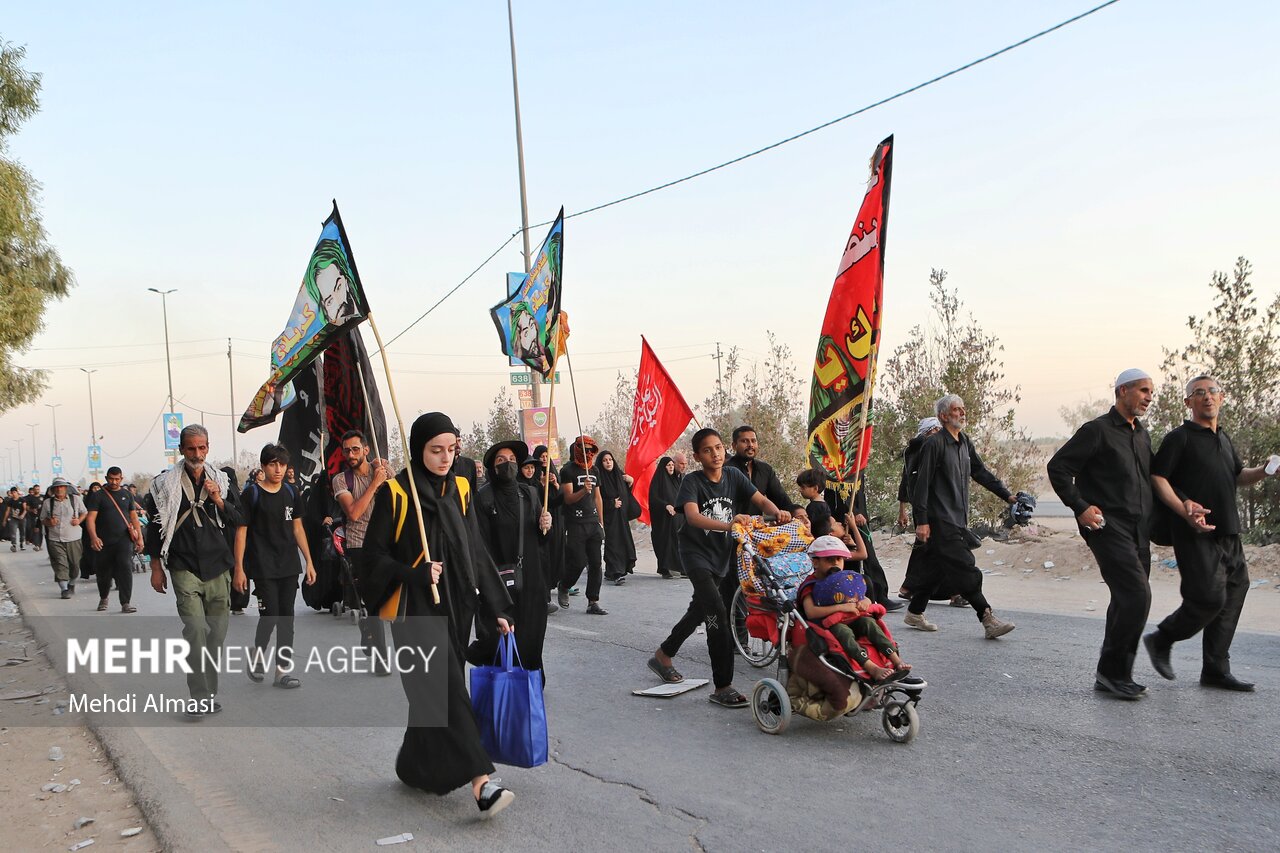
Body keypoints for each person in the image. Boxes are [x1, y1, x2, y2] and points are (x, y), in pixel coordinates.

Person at [358, 412, 516, 817]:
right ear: (418, 450)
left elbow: (474, 549)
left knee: (431, 696)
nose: (445, 458)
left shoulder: (462, 488)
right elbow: (372, 559)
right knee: (446, 689)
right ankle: (483, 782)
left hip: (456, 603)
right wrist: (414, 572)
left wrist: (495, 606)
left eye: (451, 449)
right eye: (435, 450)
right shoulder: (395, 493)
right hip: (415, 608)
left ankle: (414, 766)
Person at [1143, 375, 1277, 693]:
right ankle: (1162, 638)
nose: (1207, 397)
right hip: (1193, 532)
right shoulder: (1180, 438)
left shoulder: (1224, 439)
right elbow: (1158, 478)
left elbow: (1238, 476)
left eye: (1213, 391)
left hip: (1228, 529)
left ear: (1223, 397)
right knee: (1208, 598)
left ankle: (1216, 669)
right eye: (1199, 393)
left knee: (1235, 590)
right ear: (1188, 402)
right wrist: (1184, 508)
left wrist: (1266, 470)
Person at [647, 428, 790, 708]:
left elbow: (761, 500)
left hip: (720, 557)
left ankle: (663, 655)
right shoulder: (692, 482)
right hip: (695, 556)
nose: (715, 454)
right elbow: (692, 516)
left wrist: (778, 512)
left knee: (699, 610)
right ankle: (723, 685)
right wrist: (729, 525)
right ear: (698, 456)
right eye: (708, 450)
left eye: (718, 448)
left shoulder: (734, 476)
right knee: (716, 614)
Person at [1047, 369, 1156, 700]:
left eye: (1151, 392)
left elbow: (1152, 479)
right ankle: (1112, 673)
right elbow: (1059, 467)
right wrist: (1080, 507)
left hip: (1139, 530)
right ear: (1122, 391)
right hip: (1107, 527)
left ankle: (1113, 675)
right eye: (1143, 390)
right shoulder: (1096, 430)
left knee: (1126, 599)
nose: (1149, 396)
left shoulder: (1142, 435)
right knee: (1138, 596)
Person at [144, 425, 244, 718]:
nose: (197, 454)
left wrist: (218, 500)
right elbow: (154, 528)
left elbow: (239, 519)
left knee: (217, 634)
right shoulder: (163, 485)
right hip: (183, 565)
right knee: (196, 630)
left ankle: (209, 693)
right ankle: (199, 697)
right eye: (191, 448)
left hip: (218, 566)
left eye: (201, 448)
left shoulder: (222, 480)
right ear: (182, 450)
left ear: (208, 448)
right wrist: (155, 567)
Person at [908, 395, 1018, 639]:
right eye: (956, 410)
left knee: (937, 566)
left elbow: (980, 472)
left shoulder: (964, 442)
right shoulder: (934, 444)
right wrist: (922, 520)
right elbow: (921, 484)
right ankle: (987, 618)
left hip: (958, 517)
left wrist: (1007, 496)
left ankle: (915, 612)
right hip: (939, 519)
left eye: (963, 409)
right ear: (944, 416)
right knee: (964, 566)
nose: (962, 413)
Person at [234, 443, 316, 688]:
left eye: (282, 464)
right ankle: (257, 655)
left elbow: (298, 528)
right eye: (273, 464)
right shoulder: (252, 494)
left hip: (289, 565)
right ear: (263, 466)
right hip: (262, 566)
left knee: (287, 619)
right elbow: (241, 533)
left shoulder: (291, 493)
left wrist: (309, 561)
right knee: (270, 616)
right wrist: (239, 568)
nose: (278, 469)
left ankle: (282, 671)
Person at [473, 440, 552, 675]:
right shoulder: (484, 498)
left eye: (511, 460)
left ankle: (531, 681)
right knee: (504, 634)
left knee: (532, 631)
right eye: (500, 460)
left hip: (532, 577)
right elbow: (481, 544)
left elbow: (541, 537)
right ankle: (504, 688)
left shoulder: (529, 493)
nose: (507, 464)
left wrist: (545, 525)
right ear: (492, 467)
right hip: (500, 580)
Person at [798, 534, 911, 682]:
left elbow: (861, 597)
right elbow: (811, 612)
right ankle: (871, 667)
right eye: (829, 560)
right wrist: (843, 607)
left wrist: (866, 601)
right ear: (815, 562)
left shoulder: (847, 579)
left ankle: (896, 660)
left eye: (838, 560)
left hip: (853, 618)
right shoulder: (811, 584)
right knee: (843, 632)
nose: (835, 564)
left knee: (870, 624)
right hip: (828, 625)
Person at [332, 429, 393, 668]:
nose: (351, 454)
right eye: (347, 450)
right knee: (374, 601)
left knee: (390, 599)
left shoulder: (383, 471)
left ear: (366, 450)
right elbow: (354, 512)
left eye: (356, 449)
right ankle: (381, 657)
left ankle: (367, 626)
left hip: (387, 542)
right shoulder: (341, 479)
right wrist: (374, 484)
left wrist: (385, 475)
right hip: (359, 545)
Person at [557, 436, 608, 614]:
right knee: (578, 562)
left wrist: (601, 521)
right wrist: (583, 491)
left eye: (590, 449)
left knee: (596, 563)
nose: (587, 453)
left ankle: (593, 601)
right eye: (583, 449)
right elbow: (568, 498)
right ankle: (564, 585)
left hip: (593, 522)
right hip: (575, 523)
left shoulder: (594, 470)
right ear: (576, 449)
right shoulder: (567, 471)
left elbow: (597, 497)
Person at [897, 417, 944, 601]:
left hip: (925, 507)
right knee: (937, 546)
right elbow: (909, 481)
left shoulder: (916, 449)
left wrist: (903, 509)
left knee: (926, 547)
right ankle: (956, 591)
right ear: (931, 431)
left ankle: (909, 587)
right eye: (937, 429)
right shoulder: (923, 449)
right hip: (929, 507)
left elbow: (904, 483)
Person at [85, 467, 143, 613]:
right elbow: (90, 519)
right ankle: (104, 597)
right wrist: (94, 537)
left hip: (123, 539)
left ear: (121, 479)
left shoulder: (127, 495)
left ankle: (125, 602)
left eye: (117, 479)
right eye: (111, 478)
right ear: (106, 478)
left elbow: (134, 517)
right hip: (104, 541)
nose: (114, 482)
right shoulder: (98, 496)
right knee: (104, 572)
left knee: (125, 568)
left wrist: (140, 538)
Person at [40, 477, 86, 599]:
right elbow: (42, 519)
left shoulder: (75, 499)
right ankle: (64, 589)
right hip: (55, 538)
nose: (59, 489)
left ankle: (71, 583)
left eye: (62, 487)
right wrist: (49, 522)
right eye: (57, 487)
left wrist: (78, 520)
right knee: (60, 564)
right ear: (53, 489)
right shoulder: (47, 503)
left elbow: (84, 512)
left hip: (73, 537)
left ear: (66, 488)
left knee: (75, 564)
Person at [597, 450, 637, 584]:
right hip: (609, 518)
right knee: (613, 545)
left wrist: (631, 482)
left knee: (623, 543)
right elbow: (597, 499)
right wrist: (611, 504)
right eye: (605, 460)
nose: (608, 462)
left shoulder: (619, 475)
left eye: (610, 460)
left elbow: (625, 493)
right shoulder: (599, 478)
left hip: (621, 517)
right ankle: (616, 573)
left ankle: (611, 571)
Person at [647, 456, 684, 578]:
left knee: (678, 542)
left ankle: (681, 568)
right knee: (665, 542)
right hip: (662, 520)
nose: (671, 467)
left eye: (672, 465)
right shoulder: (658, 481)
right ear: (663, 467)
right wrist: (666, 505)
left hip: (676, 519)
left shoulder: (676, 480)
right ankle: (665, 568)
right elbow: (653, 498)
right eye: (668, 465)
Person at [3, 486, 26, 551]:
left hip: (22, 518)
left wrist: (23, 515)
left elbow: (25, 509)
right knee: (13, 531)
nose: (13, 494)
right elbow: (7, 511)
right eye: (12, 493)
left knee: (22, 532)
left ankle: (21, 543)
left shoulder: (22, 500)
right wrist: (4, 520)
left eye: (14, 492)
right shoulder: (10, 501)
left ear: (17, 492)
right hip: (13, 518)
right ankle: (14, 545)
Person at [23, 485, 44, 552]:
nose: (37, 490)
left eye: (38, 489)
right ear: (33, 490)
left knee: (40, 531)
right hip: (33, 517)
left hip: (42, 517)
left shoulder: (43, 497)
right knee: (35, 530)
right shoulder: (30, 498)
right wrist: (32, 510)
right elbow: (27, 507)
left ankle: (39, 544)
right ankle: (36, 545)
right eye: (35, 489)